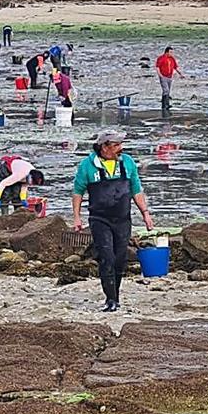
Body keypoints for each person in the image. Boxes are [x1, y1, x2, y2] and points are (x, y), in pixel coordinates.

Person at [71, 132, 154, 312]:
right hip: (99, 219)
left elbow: (136, 190)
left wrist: (146, 214)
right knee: (106, 258)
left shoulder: (128, 162)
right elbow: (78, 192)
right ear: (105, 147)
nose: (120, 148)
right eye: (116, 145)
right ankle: (110, 300)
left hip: (123, 219)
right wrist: (77, 217)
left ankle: (115, 295)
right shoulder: (87, 166)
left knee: (119, 260)